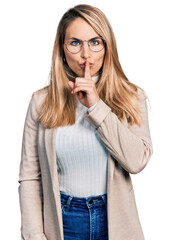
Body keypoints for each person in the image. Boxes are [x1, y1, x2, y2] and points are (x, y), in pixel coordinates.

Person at [18, 4, 153, 240]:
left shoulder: (131, 96)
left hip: (115, 221)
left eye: (94, 42)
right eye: (75, 43)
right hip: (64, 221)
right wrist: (34, 236)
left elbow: (137, 161)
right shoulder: (41, 102)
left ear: (107, 47)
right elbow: (30, 176)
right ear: (62, 49)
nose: (86, 55)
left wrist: (95, 106)